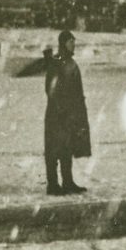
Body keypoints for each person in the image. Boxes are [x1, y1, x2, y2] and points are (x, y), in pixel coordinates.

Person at [44, 30, 91, 195]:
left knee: (67, 148)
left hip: (70, 112)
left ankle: (68, 182)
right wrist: (61, 107)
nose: (73, 45)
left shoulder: (70, 63)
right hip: (57, 113)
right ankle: (53, 185)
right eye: (70, 42)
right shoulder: (57, 62)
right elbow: (51, 88)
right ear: (63, 43)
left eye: (74, 42)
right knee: (54, 148)